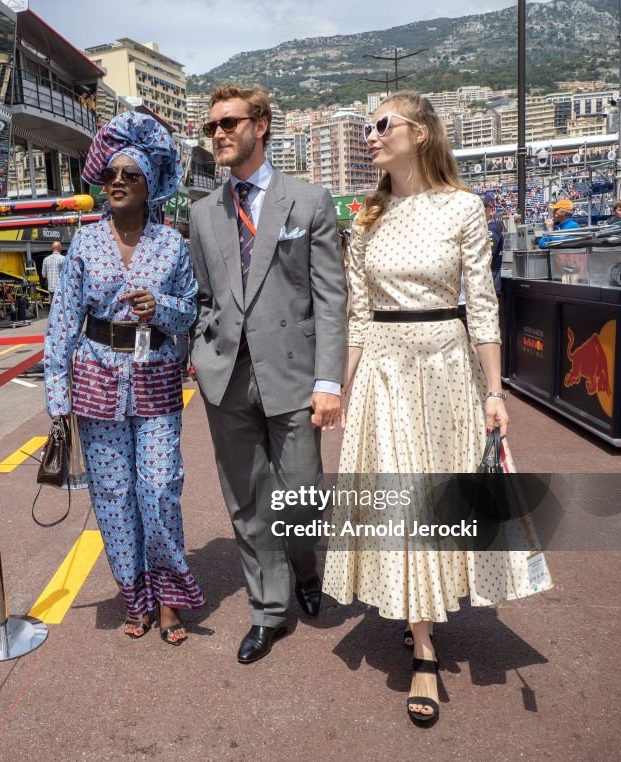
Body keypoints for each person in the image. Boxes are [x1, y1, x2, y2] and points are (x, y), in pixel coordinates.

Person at [323, 91, 547, 725]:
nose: (370, 135)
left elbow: (482, 303)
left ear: (420, 133)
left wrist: (495, 392)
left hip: (447, 370)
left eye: (381, 124)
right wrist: (341, 387)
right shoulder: (366, 215)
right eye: (367, 126)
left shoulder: (463, 208)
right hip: (386, 375)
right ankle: (423, 647)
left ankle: (423, 607)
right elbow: (358, 315)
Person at [189, 84, 347, 664]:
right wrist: (200, 352)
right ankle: (269, 611)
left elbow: (332, 299)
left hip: (294, 375)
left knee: (302, 497)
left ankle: (308, 568)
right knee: (249, 503)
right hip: (226, 379)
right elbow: (206, 295)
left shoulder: (308, 201)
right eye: (211, 128)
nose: (218, 135)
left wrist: (328, 381)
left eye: (228, 123)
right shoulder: (204, 212)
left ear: (261, 126)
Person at [44, 111, 204, 645]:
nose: (115, 182)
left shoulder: (173, 246)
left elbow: (189, 316)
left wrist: (158, 307)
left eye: (129, 175)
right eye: (110, 174)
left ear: (150, 185)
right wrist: (57, 398)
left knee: (158, 489)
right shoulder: (84, 245)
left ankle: (170, 599)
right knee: (113, 494)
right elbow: (63, 322)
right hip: (95, 381)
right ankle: (134, 597)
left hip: (156, 379)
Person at [485, 197, 504, 293]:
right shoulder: (484, 227)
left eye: (483, 207)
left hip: (489, 285)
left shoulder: (491, 229)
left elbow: (488, 260)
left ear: (491, 210)